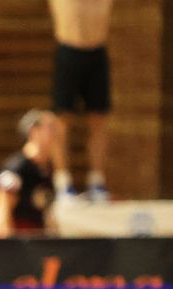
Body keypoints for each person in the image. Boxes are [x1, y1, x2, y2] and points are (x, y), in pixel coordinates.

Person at [49, 0, 113, 202]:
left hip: (97, 52)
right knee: (62, 120)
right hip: (69, 50)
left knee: (99, 120)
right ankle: (63, 183)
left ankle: (97, 181)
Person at [0, 110, 59, 238]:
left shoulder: (48, 167)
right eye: (50, 128)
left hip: (39, 237)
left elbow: (45, 205)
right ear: (34, 131)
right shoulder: (16, 167)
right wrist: (6, 238)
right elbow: (3, 200)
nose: (55, 133)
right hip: (20, 238)